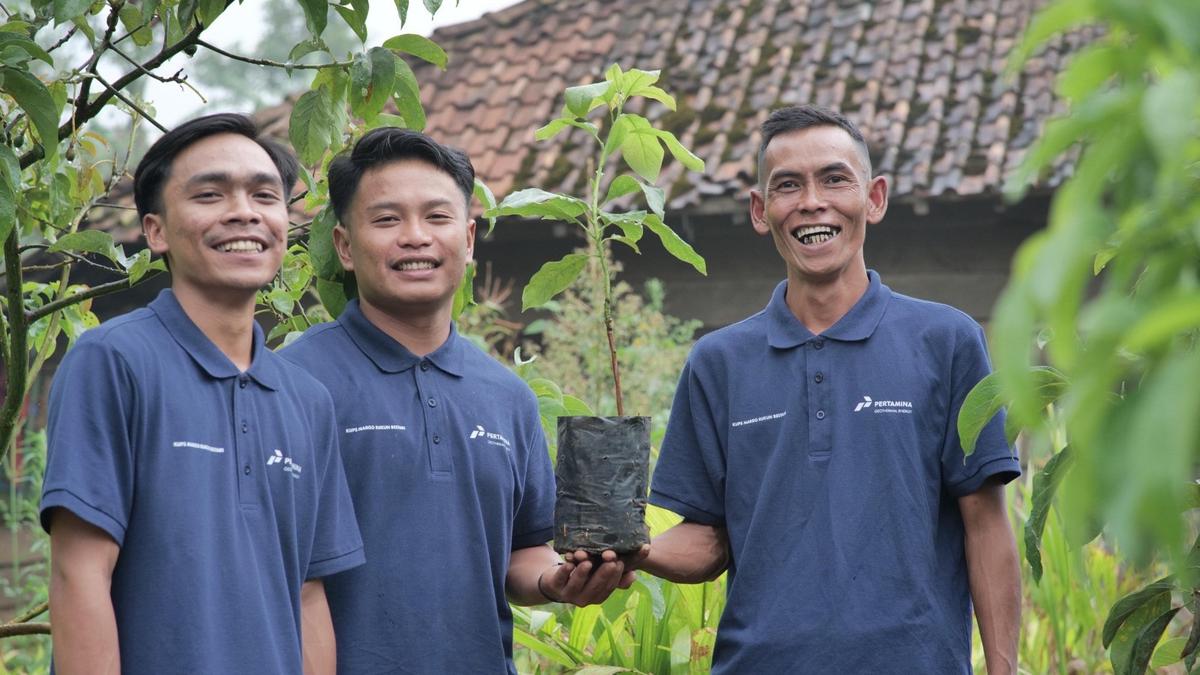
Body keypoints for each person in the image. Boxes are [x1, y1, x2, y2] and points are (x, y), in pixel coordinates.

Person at [639, 105, 1022, 673]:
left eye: (835, 179)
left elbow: (985, 524)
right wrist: (634, 550)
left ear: (874, 198)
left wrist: (1004, 669)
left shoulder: (946, 341)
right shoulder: (718, 363)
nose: (812, 201)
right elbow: (710, 541)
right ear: (760, 210)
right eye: (787, 185)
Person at [280, 127, 634, 674]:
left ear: (468, 240)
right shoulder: (294, 384)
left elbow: (523, 548)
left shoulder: (506, 398)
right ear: (345, 247)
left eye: (437, 217)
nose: (415, 236)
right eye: (387, 219)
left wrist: (556, 581)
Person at [40, 113, 364, 675]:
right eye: (210, 194)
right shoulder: (113, 362)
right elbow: (79, 572)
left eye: (265, 195)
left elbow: (309, 595)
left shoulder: (307, 400)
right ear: (156, 230)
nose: (244, 212)